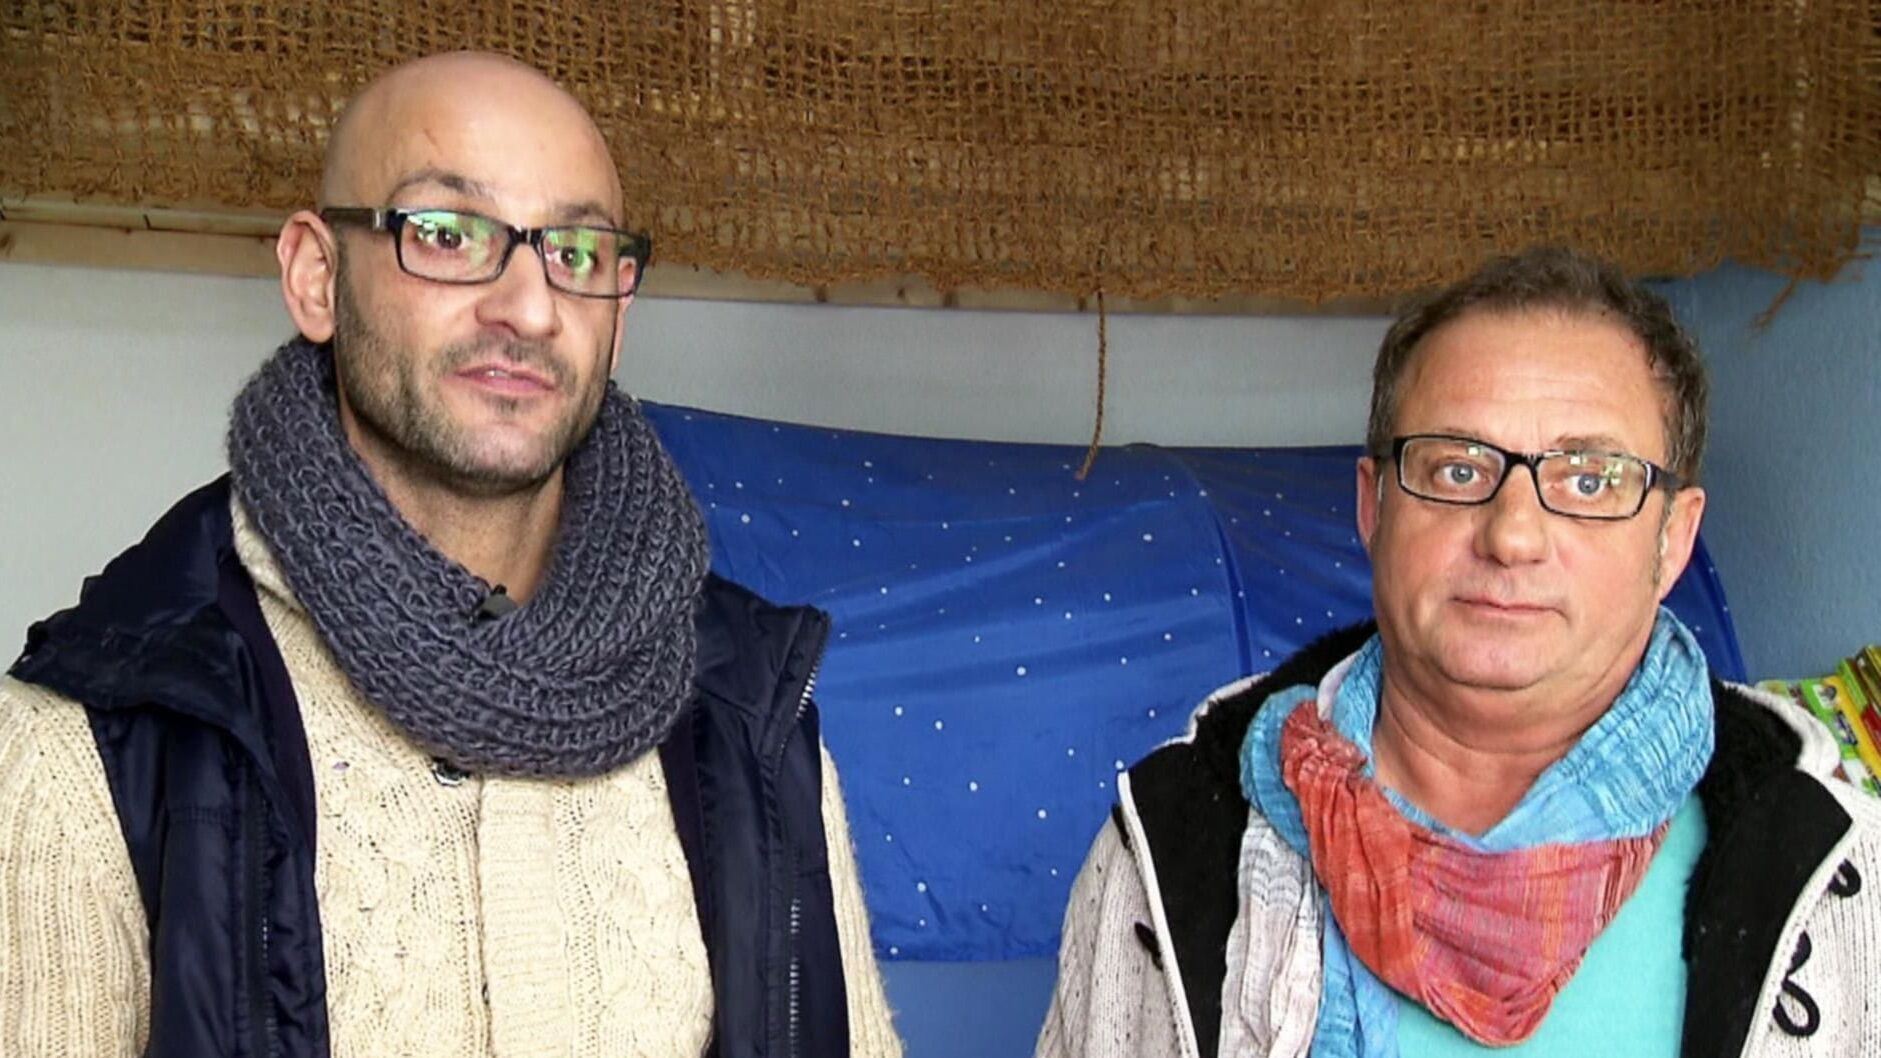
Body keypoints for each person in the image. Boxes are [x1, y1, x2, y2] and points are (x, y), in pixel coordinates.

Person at [0, 52, 901, 1058]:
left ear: (618, 313)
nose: (529, 306)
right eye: (447, 233)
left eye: (577, 252)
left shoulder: (751, 707)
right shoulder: (94, 740)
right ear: (316, 278)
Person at [1037, 247, 1881, 1058]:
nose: (1512, 536)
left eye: (1588, 479)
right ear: (1373, 508)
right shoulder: (1171, 835)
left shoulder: (1841, 872)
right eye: (1455, 470)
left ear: (1673, 538)